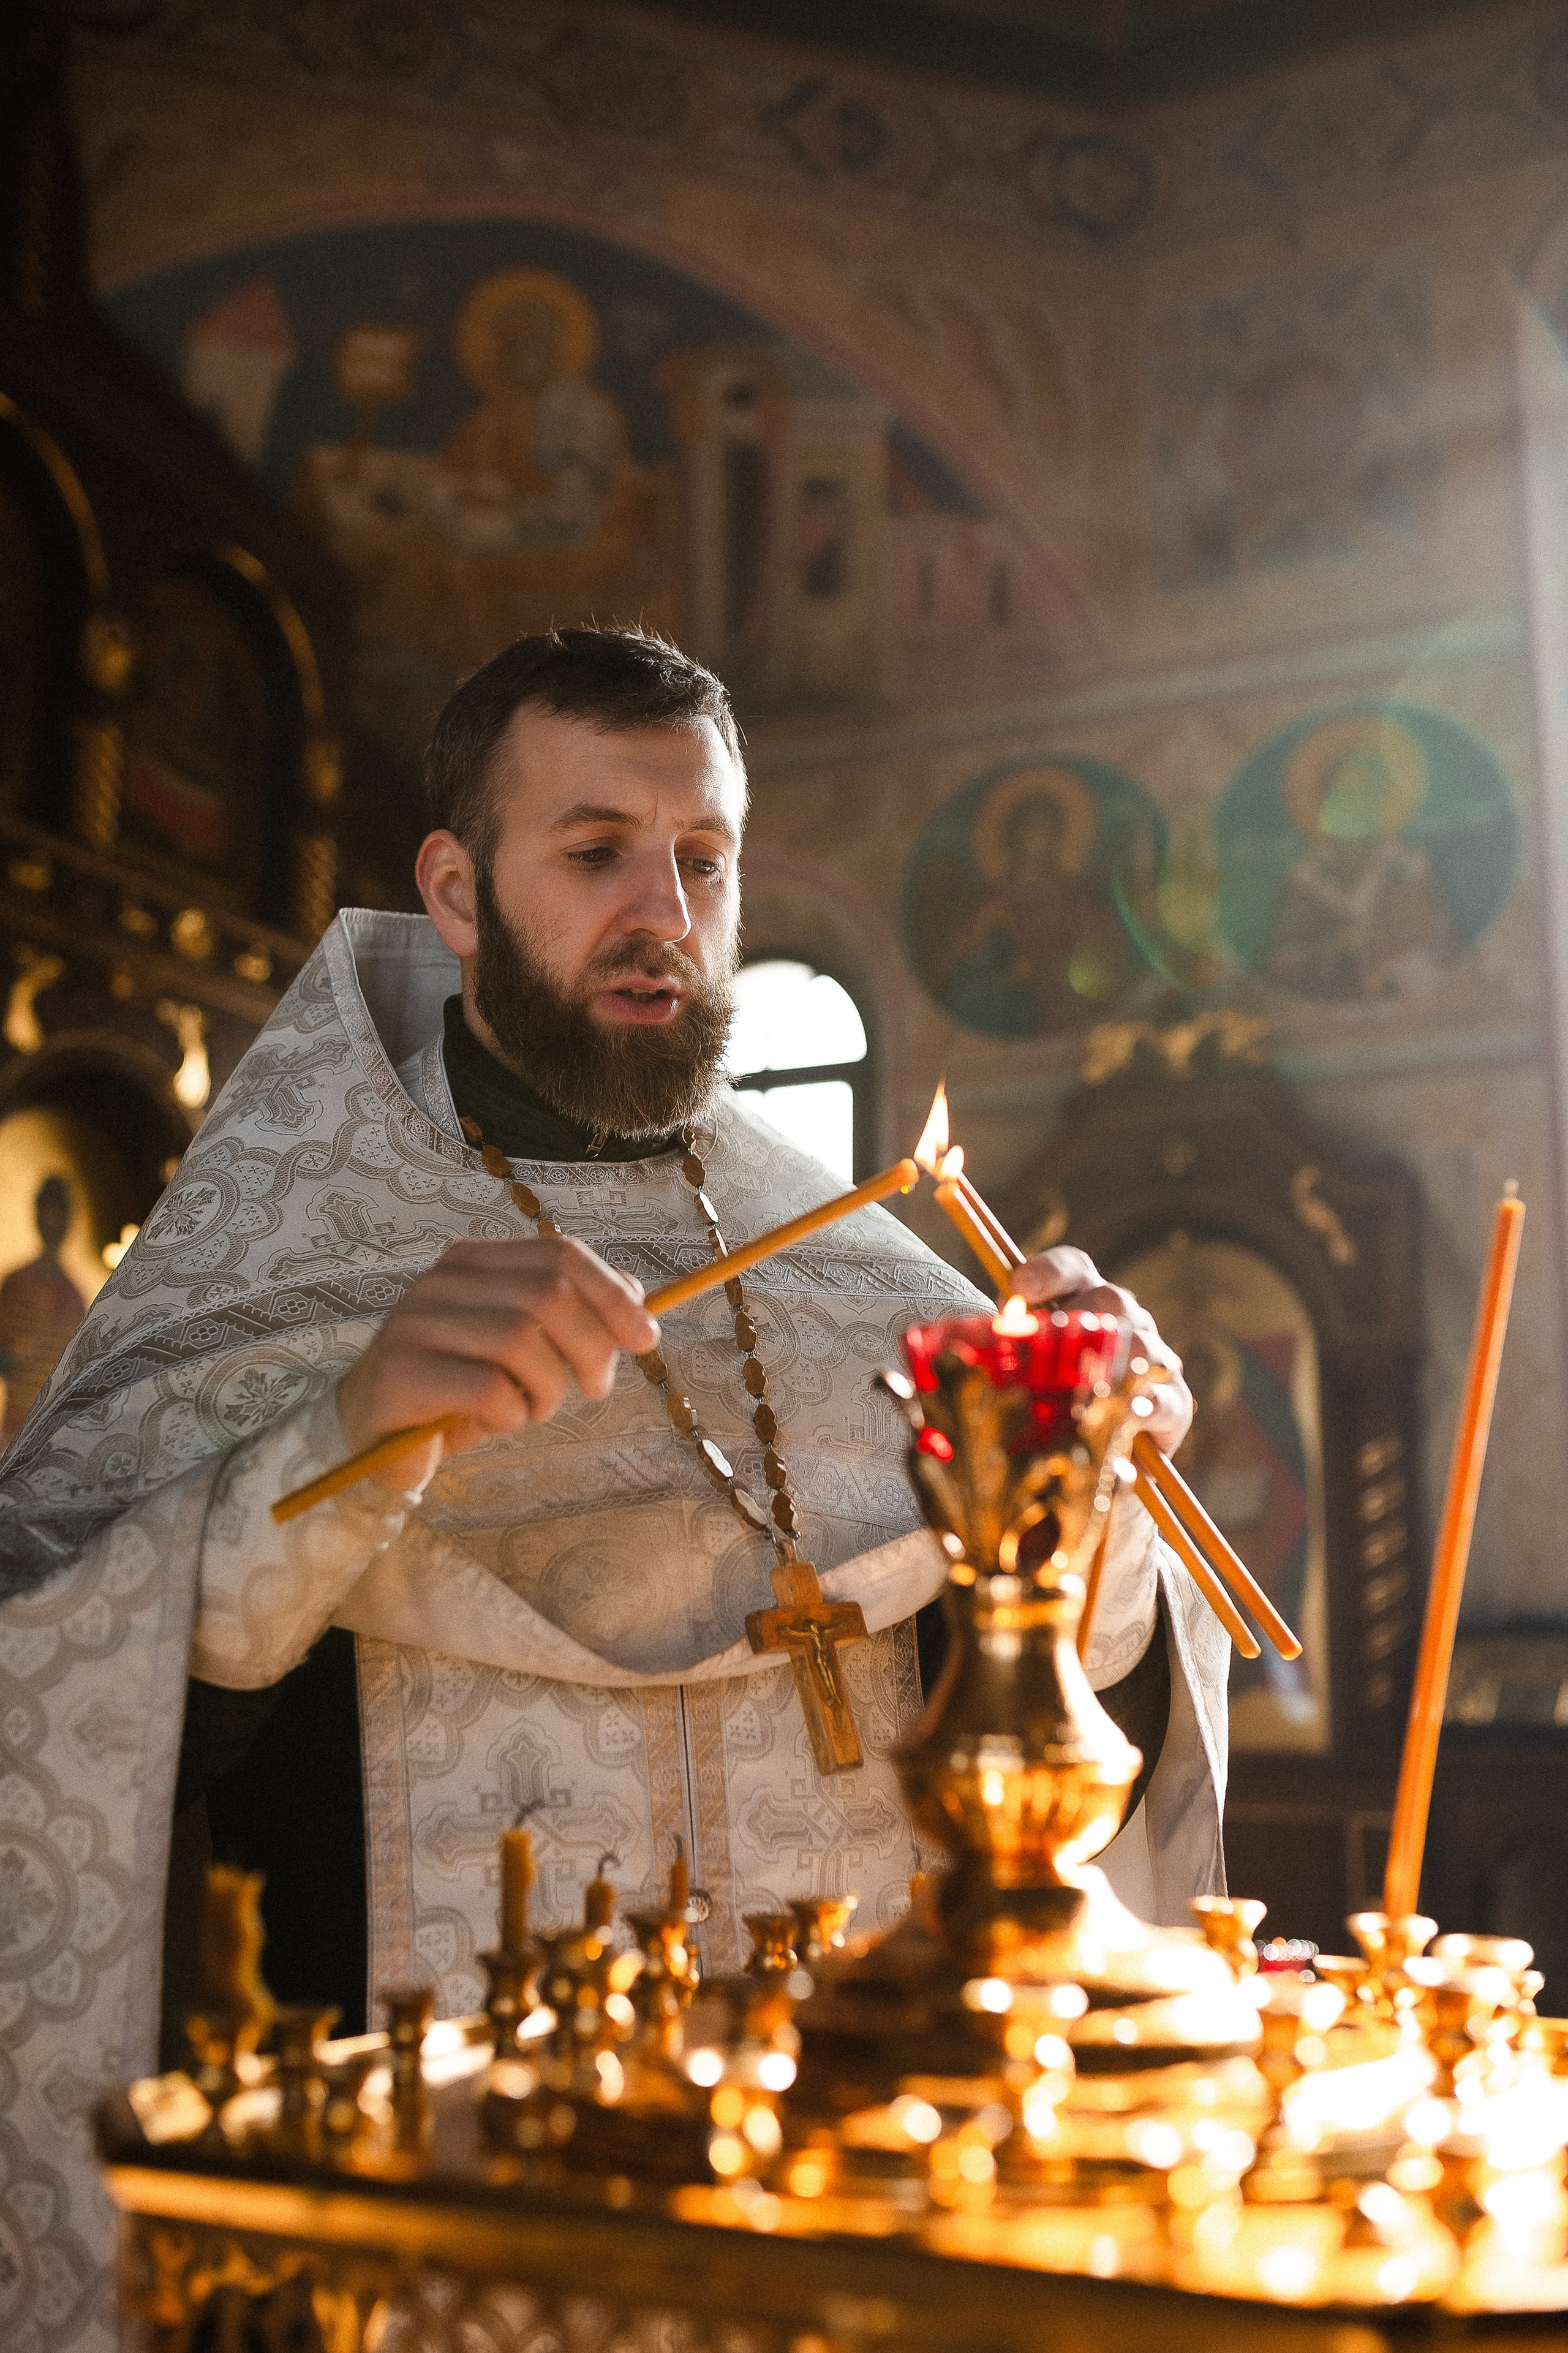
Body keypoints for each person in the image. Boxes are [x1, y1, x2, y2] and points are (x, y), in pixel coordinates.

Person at [0, 627, 1227, 2346]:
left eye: (702, 860)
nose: (664, 909)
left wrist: (1076, 1480)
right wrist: (341, 1436)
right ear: (455, 885)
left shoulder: (880, 1275)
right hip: (450, 2216)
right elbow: (56, 1693)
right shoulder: (277, 1252)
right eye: (594, 854)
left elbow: (1078, 1702)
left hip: (850, 2202)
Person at [0, 1173, 85, 1441]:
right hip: (12, 1430)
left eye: (57, 1211)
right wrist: (22, 1352)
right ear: (37, 1213)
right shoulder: (15, 1285)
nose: (51, 1219)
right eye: (46, 1209)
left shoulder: (74, 1299)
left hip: (49, 1435)